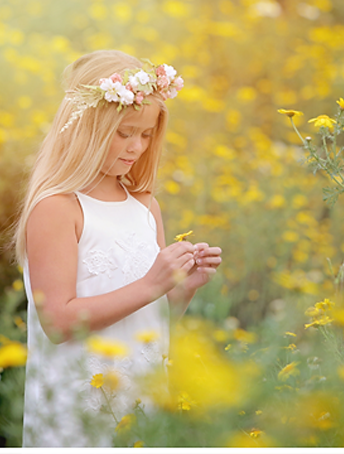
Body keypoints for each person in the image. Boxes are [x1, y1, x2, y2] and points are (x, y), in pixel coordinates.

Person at [11, 52, 219, 447]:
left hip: (139, 397)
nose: (137, 146)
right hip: (80, 405)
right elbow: (57, 323)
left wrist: (182, 288)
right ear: (86, 127)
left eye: (146, 134)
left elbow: (154, 316)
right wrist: (151, 284)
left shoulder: (144, 206)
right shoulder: (57, 208)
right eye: (125, 133)